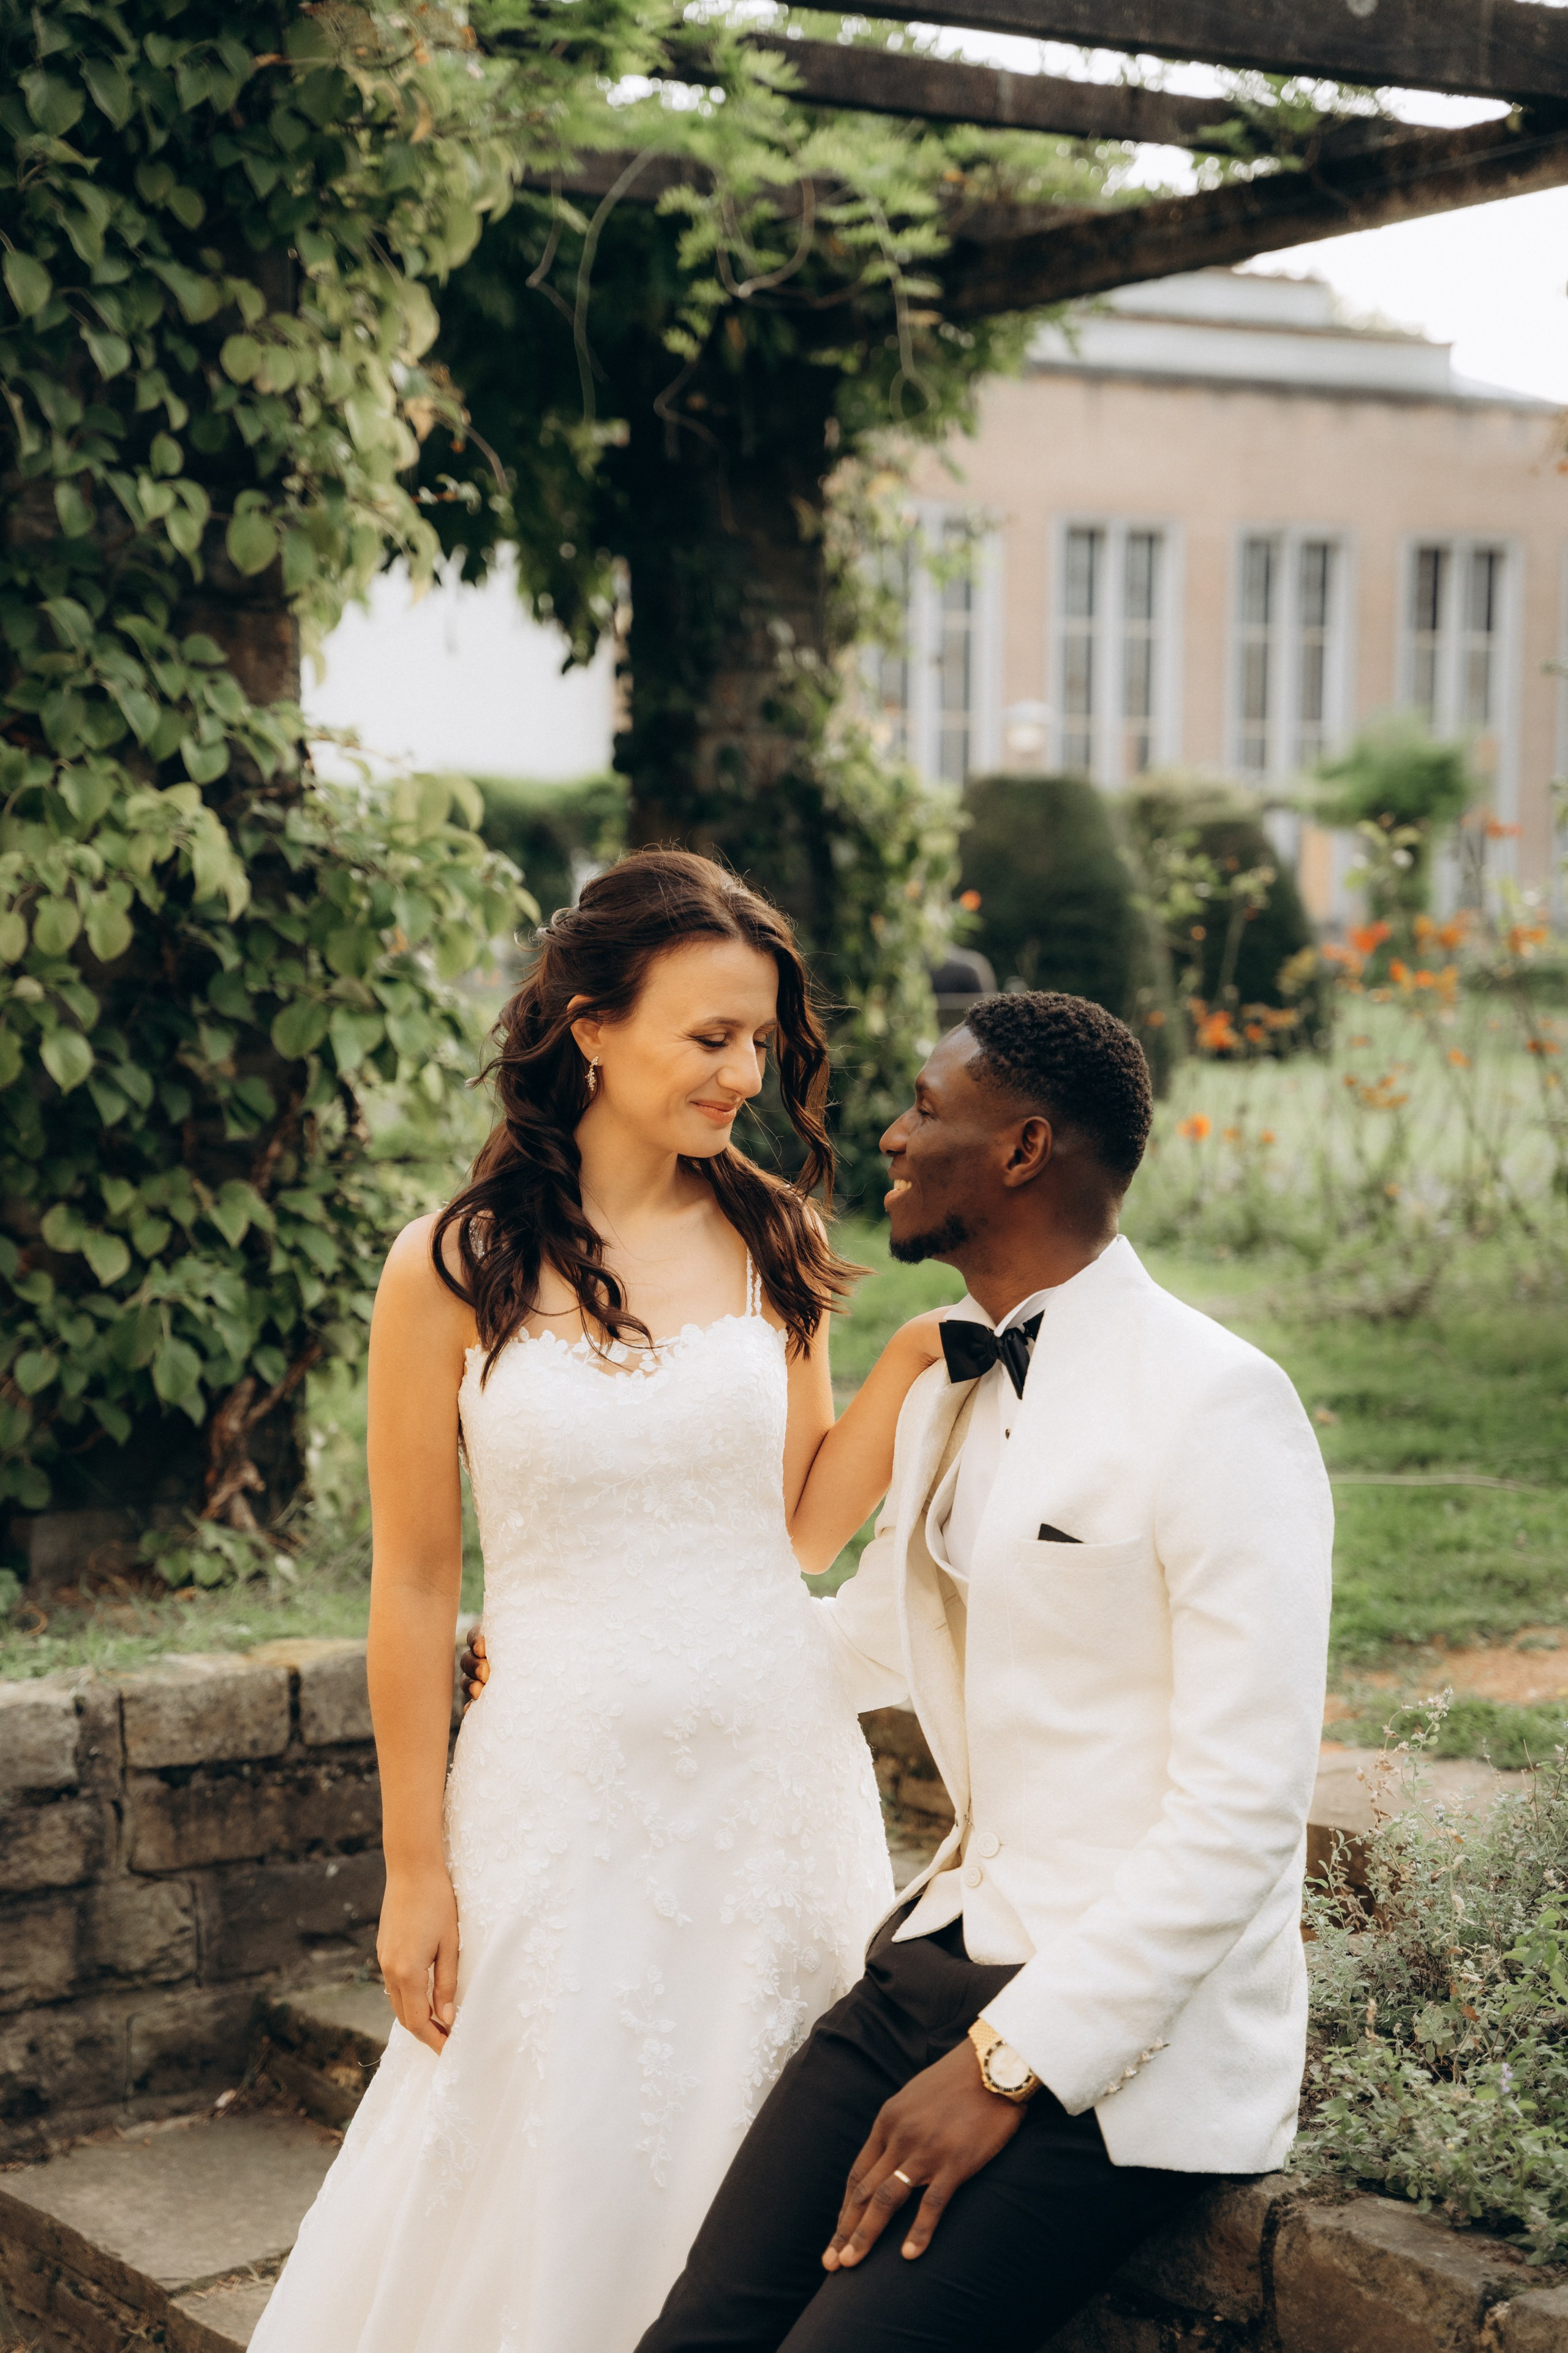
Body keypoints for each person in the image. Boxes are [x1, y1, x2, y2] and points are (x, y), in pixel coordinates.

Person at [249, 850, 948, 2353]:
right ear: (588, 1024)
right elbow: (415, 1580)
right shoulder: (450, 1266)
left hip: (770, 1781)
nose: (744, 1073)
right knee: (539, 2161)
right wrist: (414, 1870)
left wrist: (895, 1373)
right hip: (558, 1790)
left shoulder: (773, 1236)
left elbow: (798, 1530)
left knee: (752, 2165)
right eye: (709, 1037)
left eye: (759, 1040)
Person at [616, 989, 1334, 2353]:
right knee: (694, 2334)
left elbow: (1240, 1818)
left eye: (927, 1107)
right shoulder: (948, 1384)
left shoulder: (1217, 1403)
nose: (888, 1132)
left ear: (1021, 1147)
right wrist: (601, 1663)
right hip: (927, 1971)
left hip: (1119, 2054)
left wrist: (1010, 2065)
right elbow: (863, 1643)